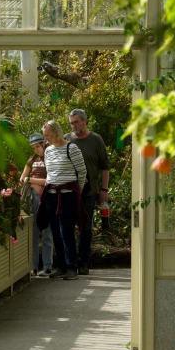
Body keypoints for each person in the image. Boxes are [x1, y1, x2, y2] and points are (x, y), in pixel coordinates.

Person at [36, 120, 87, 281]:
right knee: (55, 231)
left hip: (67, 195)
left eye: (47, 135)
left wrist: (76, 191)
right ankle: (61, 266)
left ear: (56, 133)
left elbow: (82, 171)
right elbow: (50, 173)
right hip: (51, 194)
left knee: (66, 231)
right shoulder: (48, 150)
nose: (45, 139)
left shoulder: (71, 148)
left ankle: (72, 267)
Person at [64, 108, 109, 275]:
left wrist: (104, 189)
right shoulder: (67, 139)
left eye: (76, 122)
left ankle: (84, 263)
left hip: (89, 192)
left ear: (84, 121)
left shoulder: (96, 140)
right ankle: (70, 264)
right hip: (69, 190)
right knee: (67, 228)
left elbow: (105, 166)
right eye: (71, 123)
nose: (74, 125)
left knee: (86, 228)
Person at [19, 133, 53, 277]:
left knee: (47, 233)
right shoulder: (31, 160)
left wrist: (32, 181)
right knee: (32, 233)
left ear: (44, 144)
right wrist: (33, 184)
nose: (36, 150)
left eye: (38, 146)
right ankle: (32, 267)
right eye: (33, 148)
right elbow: (22, 179)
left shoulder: (51, 158)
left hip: (47, 196)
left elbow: (50, 180)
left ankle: (47, 266)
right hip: (33, 198)